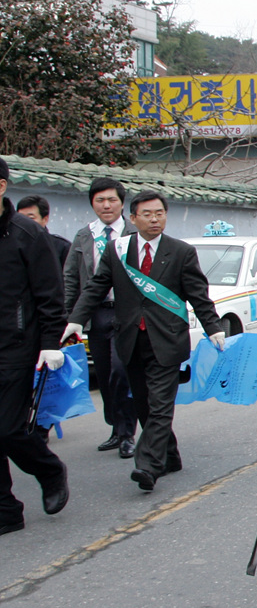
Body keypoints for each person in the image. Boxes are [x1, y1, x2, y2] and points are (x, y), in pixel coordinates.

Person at [65, 190, 225, 492]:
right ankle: (170, 455)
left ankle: (148, 464)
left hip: (166, 339)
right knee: (143, 404)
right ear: (134, 217)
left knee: (160, 403)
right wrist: (74, 319)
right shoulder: (118, 250)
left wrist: (213, 328)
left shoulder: (181, 251)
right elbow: (96, 288)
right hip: (129, 339)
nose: (155, 219)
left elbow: (198, 294)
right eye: (148, 214)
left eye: (160, 213)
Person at [0, 158, 70, 536]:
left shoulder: (26, 234)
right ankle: (6, 510)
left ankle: (49, 469)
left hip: (16, 347)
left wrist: (49, 343)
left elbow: (49, 294)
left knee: (9, 430)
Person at [63, 177, 138, 459]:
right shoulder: (84, 235)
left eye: (112, 200)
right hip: (96, 314)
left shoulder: (134, 232)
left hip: (126, 312)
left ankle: (128, 433)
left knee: (122, 372)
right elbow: (71, 278)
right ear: (92, 203)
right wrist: (71, 317)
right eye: (100, 200)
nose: (106, 205)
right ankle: (117, 428)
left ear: (121, 203)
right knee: (105, 375)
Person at [16, 195, 71, 266]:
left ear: (45, 219)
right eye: (21, 218)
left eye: (30, 218)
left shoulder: (62, 248)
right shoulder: (10, 246)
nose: (24, 222)